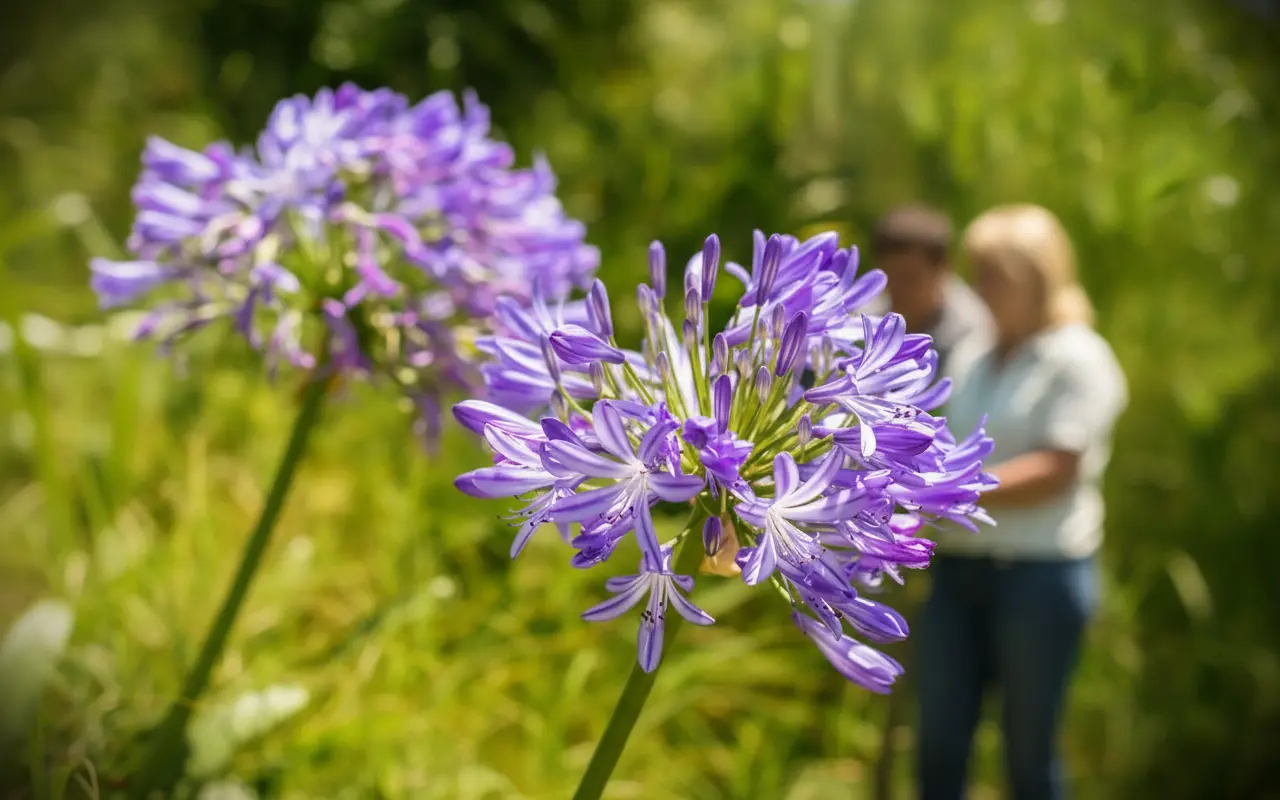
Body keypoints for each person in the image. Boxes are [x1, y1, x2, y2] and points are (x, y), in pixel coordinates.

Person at [914, 204, 1128, 800]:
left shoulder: (1078, 356)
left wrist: (946, 491)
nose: (979, 288)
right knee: (937, 747)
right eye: (978, 273)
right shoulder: (973, 354)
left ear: (1039, 279)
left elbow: (1058, 468)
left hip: (1039, 577)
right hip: (957, 571)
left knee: (1029, 757)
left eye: (994, 275)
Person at [865, 203, 992, 377]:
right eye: (889, 278)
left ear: (944, 271)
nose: (897, 289)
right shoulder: (869, 314)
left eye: (910, 279)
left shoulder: (974, 334)